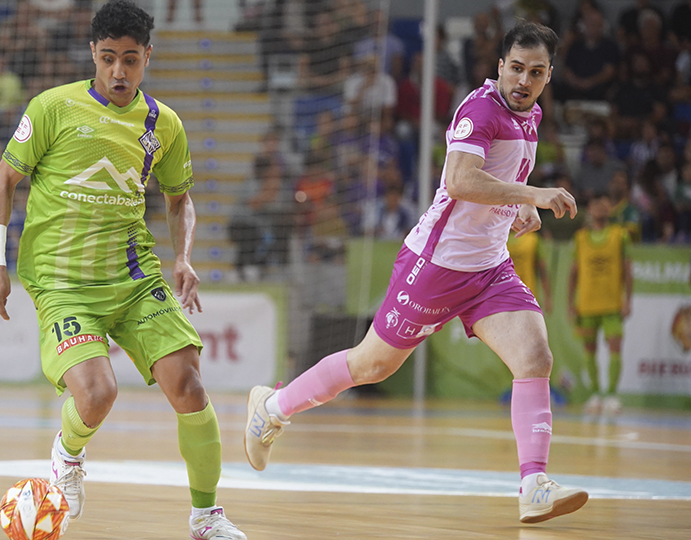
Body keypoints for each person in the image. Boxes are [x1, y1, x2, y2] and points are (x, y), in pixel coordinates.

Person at [245, 21, 589, 524]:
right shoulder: (480, 110)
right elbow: (460, 179)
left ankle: (533, 485)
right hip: (436, 266)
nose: (524, 80)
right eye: (516, 68)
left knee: (535, 356)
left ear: (548, 76)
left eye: (535, 73)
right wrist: (532, 194)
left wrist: (517, 207)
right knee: (371, 366)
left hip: (489, 267)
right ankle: (272, 408)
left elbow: (501, 175)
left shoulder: (531, 115)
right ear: (500, 66)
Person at [0, 3, 246, 539]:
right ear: (92, 54)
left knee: (189, 386)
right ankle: (68, 452)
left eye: (129, 59)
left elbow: (179, 200)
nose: (118, 71)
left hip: (134, 277)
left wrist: (183, 257)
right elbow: (3, 180)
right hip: (63, 281)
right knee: (97, 394)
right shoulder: (52, 107)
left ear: (148, 56)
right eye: (107, 59)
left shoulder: (164, 124)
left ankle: (205, 518)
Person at [569, 192, 632, 416]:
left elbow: (627, 270)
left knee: (615, 347)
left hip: (612, 303)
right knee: (589, 350)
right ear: (589, 210)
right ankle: (595, 394)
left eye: (604, 205)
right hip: (586, 303)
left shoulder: (619, 235)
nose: (600, 208)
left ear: (609, 209)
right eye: (595, 205)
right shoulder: (580, 238)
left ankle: (612, 395)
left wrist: (628, 299)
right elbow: (573, 273)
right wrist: (570, 303)